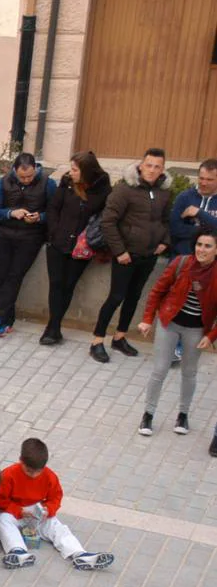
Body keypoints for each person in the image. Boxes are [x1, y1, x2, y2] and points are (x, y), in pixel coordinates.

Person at [90, 148, 172, 363]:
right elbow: (108, 222)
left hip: (148, 255)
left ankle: (120, 337)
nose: (152, 170)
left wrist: (165, 242)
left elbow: (165, 220)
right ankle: (97, 341)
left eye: (157, 166)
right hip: (125, 256)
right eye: (149, 165)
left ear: (162, 169)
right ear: (140, 165)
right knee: (116, 297)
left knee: (134, 297)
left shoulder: (163, 192)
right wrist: (120, 251)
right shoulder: (125, 190)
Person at [138, 229, 217, 439]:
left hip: (197, 329)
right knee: (160, 369)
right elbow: (157, 291)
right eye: (199, 244)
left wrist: (210, 336)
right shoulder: (181, 263)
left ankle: (183, 414)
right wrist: (147, 319)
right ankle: (148, 413)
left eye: (208, 246)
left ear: (216, 250)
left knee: (189, 372)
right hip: (169, 323)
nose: (202, 249)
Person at [0, 438, 115, 572]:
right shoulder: (8, 474)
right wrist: (18, 511)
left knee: (57, 527)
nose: (33, 475)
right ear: (20, 460)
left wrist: (48, 510)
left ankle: (79, 554)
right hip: (14, 512)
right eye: (29, 470)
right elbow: (0, 501)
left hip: (37, 511)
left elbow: (56, 497)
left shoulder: (50, 476)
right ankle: (17, 551)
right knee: (2, 520)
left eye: (38, 471)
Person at [40, 151, 112, 345]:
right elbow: (54, 207)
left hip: (82, 247)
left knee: (68, 286)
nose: (70, 172)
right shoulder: (66, 182)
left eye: (75, 169)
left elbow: (103, 218)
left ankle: (53, 327)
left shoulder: (103, 190)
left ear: (86, 171)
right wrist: (53, 232)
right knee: (56, 284)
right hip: (58, 242)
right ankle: (53, 328)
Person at [0, 152, 57, 336]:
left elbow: (55, 211)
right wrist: (11, 213)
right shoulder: (3, 183)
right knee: (3, 275)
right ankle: (5, 321)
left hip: (31, 236)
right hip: (4, 234)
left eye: (30, 176)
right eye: (22, 177)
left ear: (36, 169)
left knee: (15, 275)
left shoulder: (48, 184)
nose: (26, 180)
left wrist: (39, 217)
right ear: (14, 171)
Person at [172, 160, 217, 257]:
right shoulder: (184, 197)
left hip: (211, 263)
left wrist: (200, 213)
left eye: (209, 180)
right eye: (201, 178)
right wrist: (209, 231)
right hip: (183, 257)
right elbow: (175, 229)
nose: (204, 183)